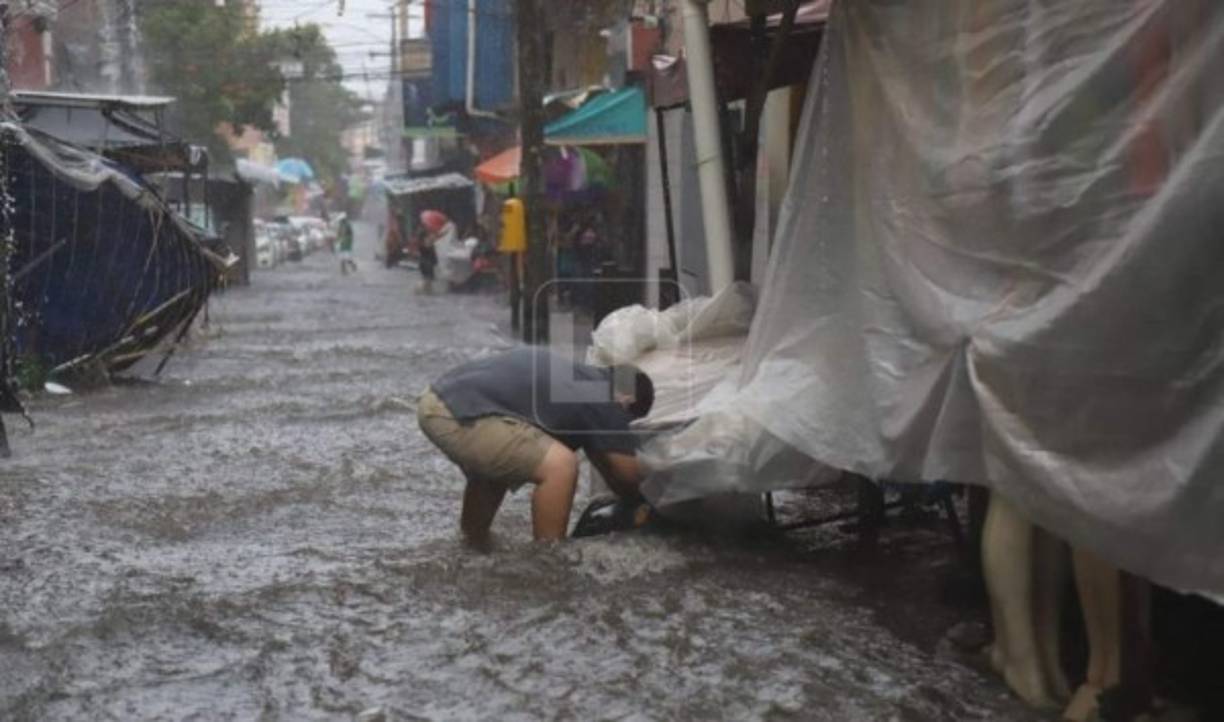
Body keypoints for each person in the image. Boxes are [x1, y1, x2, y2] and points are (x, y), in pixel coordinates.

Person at [417, 347, 654, 543]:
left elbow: (604, 459)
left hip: (440, 400)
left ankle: (472, 544)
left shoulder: (582, 381)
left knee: (500, 466)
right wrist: (654, 502)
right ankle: (548, 562)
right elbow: (626, 475)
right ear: (627, 400)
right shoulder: (606, 397)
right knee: (560, 467)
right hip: (457, 414)